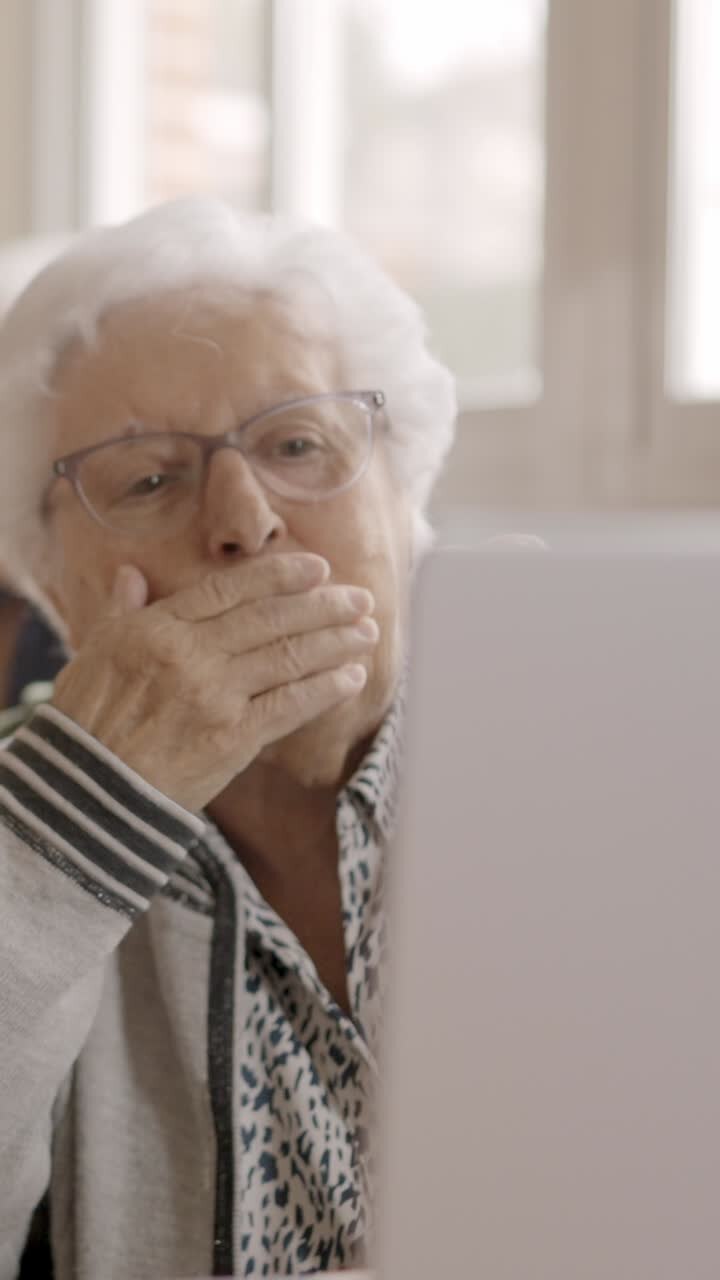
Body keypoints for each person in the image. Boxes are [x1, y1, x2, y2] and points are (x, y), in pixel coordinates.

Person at [0, 197, 456, 1279]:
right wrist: (84, 815)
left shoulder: (596, 767)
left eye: (300, 442)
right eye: (148, 477)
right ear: (49, 581)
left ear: (406, 499)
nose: (243, 519)